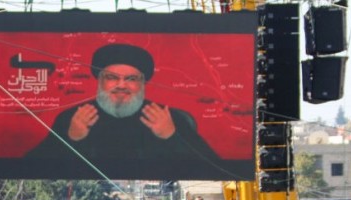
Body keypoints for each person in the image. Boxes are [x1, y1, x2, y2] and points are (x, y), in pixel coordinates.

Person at [25, 43, 221, 179]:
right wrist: (72, 138)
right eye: (112, 77)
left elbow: (215, 167)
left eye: (131, 79)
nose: (121, 85)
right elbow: (31, 165)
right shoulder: (72, 118)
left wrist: (172, 136)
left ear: (142, 83)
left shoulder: (169, 117)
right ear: (99, 80)